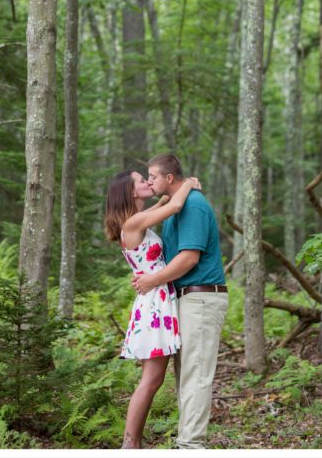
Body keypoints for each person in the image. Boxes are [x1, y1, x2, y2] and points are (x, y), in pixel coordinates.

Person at [132, 153, 228, 450]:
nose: (150, 181)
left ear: (169, 179)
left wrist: (153, 280)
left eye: (153, 177)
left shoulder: (194, 206)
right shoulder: (177, 206)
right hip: (184, 300)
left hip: (201, 298)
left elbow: (189, 257)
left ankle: (191, 446)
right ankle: (187, 442)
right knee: (186, 375)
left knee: (196, 375)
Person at [104, 169, 202, 449]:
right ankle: (129, 445)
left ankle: (131, 443)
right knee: (150, 381)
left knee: (153, 380)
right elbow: (174, 206)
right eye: (141, 180)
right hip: (154, 304)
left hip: (157, 299)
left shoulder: (136, 220)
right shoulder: (134, 223)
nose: (147, 182)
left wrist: (170, 195)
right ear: (130, 191)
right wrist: (189, 183)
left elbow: (163, 206)